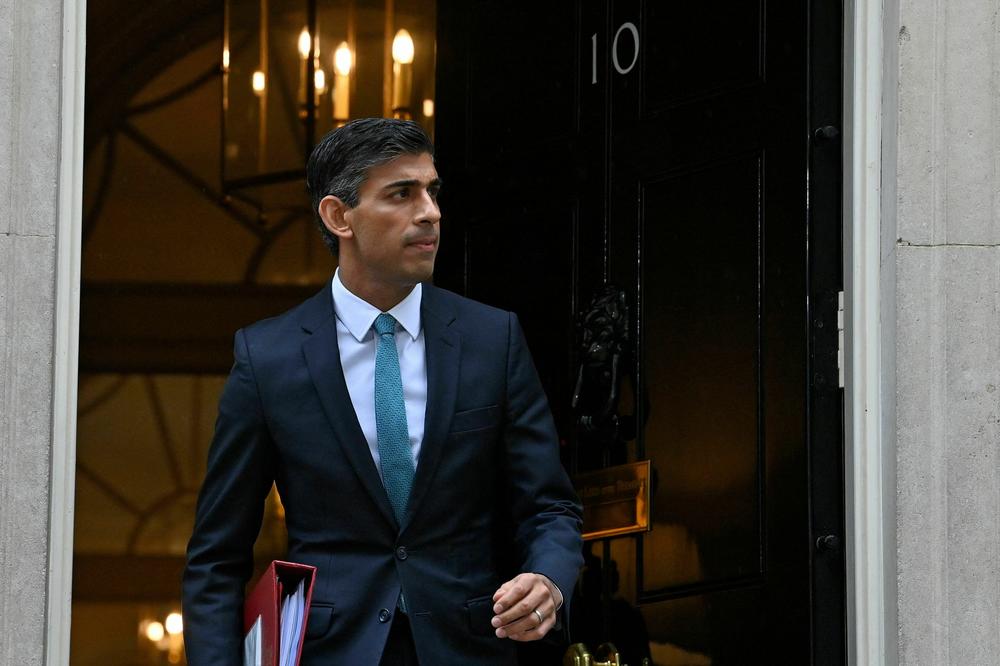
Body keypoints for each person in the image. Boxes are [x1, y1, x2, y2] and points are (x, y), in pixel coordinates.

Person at [182, 118, 584, 665]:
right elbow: (217, 558)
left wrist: (549, 579)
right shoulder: (267, 358)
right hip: (329, 651)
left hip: (470, 647)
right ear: (338, 216)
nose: (430, 212)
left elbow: (549, 505)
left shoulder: (494, 339)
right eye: (401, 193)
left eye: (432, 191)